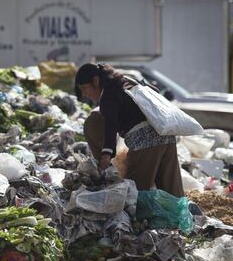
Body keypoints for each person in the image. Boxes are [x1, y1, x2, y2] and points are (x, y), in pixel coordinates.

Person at [75, 63, 184, 197]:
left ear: (96, 81)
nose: (84, 94)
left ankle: (141, 218)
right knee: (171, 189)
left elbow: (111, 125)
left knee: (135, 193)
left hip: (145, 142)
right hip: (167, 136)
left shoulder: (108, 95)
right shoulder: (125, 82)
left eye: (85, 88)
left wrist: (106, 154)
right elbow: (153, 91)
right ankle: (179, 216)